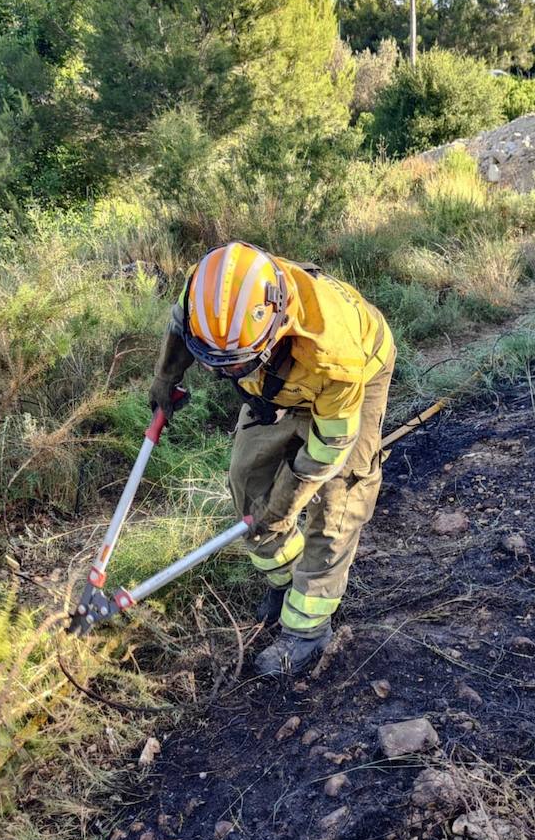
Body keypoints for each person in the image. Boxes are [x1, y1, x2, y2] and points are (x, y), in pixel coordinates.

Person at [148, 242, 395, 675]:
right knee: (246, 483)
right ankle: (284, 581)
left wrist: (285, 504)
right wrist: (166, 377)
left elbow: (327, 449)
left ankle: (307, 629)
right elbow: (179, 327)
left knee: (337, 504)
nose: (218, 375)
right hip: (274, 382)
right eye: (214, 363)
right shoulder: (211, 293)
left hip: (352, 380)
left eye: (231, 364)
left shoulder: (334, 355)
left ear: (276, 326)